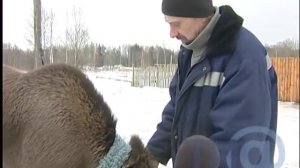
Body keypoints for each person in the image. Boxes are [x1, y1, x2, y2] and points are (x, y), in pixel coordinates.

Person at [146, 0, 278, 167]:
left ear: (198, 15)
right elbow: (176, 111)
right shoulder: (190, 52)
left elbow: (238, 144)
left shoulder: (244, 58)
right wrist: (151, 154)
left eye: (176, 24)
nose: (172, 33)